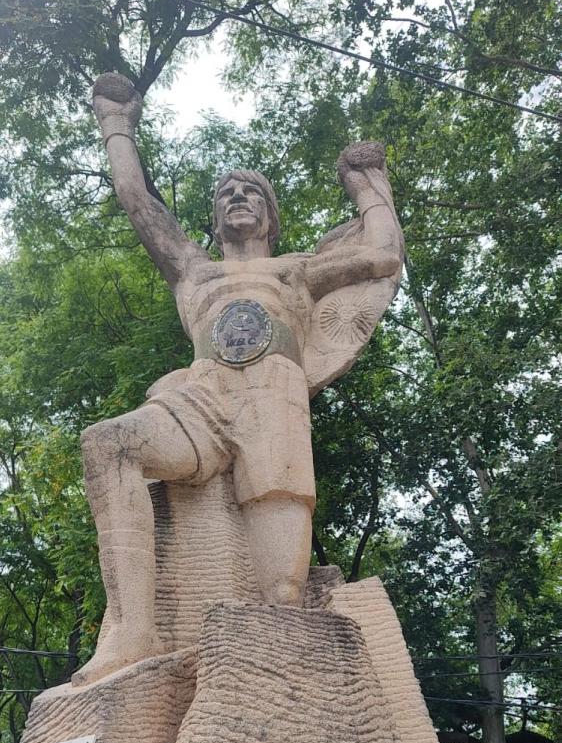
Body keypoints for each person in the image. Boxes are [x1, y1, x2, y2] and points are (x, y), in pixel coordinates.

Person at [74, 71, 403, 685]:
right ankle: (133, 636)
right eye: (226, 192)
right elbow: (136, 200)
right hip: (204, 393)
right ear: (215, 215)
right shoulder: (193, 272)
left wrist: (367, 184)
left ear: (271, 214)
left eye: (251, 190)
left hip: (275, 406)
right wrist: (115, 122)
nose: (238, 197)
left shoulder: (296, 271)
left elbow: (384, 254)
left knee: (280, 593)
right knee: (109, 443)